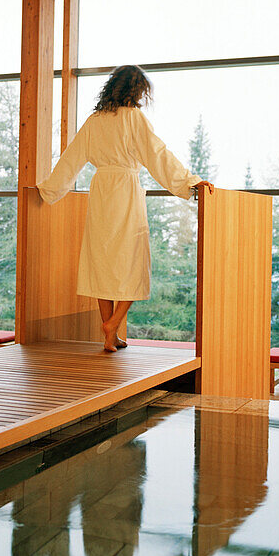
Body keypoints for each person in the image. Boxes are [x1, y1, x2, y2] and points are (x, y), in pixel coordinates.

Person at [37, 65, 214, 352]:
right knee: (132, 259)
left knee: (101, 262)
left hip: (102, 192)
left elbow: (71, 159)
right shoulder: (133, 118)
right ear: (137, 90)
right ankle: (113, 323)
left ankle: (110, 334)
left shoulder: (95, 120)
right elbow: (158, 155)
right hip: (125, 192)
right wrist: (190, 184)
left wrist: (48, 190)